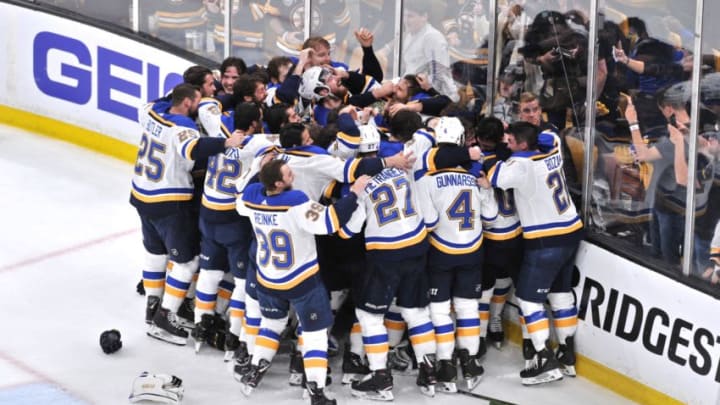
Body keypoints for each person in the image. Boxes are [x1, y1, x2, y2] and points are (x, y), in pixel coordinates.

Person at [235, 159, 370, 405]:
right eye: (287, 173)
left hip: (267, 277)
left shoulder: (251, 199)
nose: (292, 174)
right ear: (278, 183)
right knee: (315, 334)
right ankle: (317, 392)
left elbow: (242, 194)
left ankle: (255, 370)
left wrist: (257, 170)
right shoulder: (296, 200)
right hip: (301, 280)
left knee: (271, 324)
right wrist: (354, 193)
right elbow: (332, 220)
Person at [131, 83, 245, 346]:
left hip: (141, 193)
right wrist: (227, 142)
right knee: (187, 262)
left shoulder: (150, 111)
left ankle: (152, 310)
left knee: (155, 255)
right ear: (186, 103)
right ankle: (164, 317)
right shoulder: (183, 127)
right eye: (196, 102)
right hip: (168, 201)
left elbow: (159, 101)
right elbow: (193, 149)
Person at [488, 121, 583, 385]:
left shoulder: (520, 166)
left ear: (521, 144)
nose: (507, 143)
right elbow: (549, 132)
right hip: (571, 230)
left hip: (546, 240)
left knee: (529, 300)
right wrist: (521, 137)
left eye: (510, 140)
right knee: (561, 293)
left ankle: (544, 359)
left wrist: (501, 154)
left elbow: (495, 177)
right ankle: (566, 356)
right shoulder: (552, 148)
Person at [415, 117, 498, 392]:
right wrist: (486, 192)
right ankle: (470, 361)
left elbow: (428, 222)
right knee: (467, 308)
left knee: (439, 310)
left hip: (440, 251)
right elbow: (491, 216)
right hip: (473, 250)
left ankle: (446, 365)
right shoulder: (474, 176)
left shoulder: (426, 178)